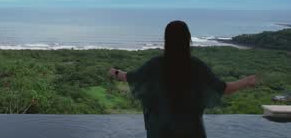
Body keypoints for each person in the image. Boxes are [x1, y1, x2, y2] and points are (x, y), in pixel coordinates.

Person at [108, 20, 256, 138]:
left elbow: (132, 77)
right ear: (187, 39)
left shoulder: (156, 64)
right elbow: (223, 88)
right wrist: (246, 81)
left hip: (161, 132)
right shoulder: (197, 66)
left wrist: (115, 72)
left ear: (166, 40)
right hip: (192, 132)